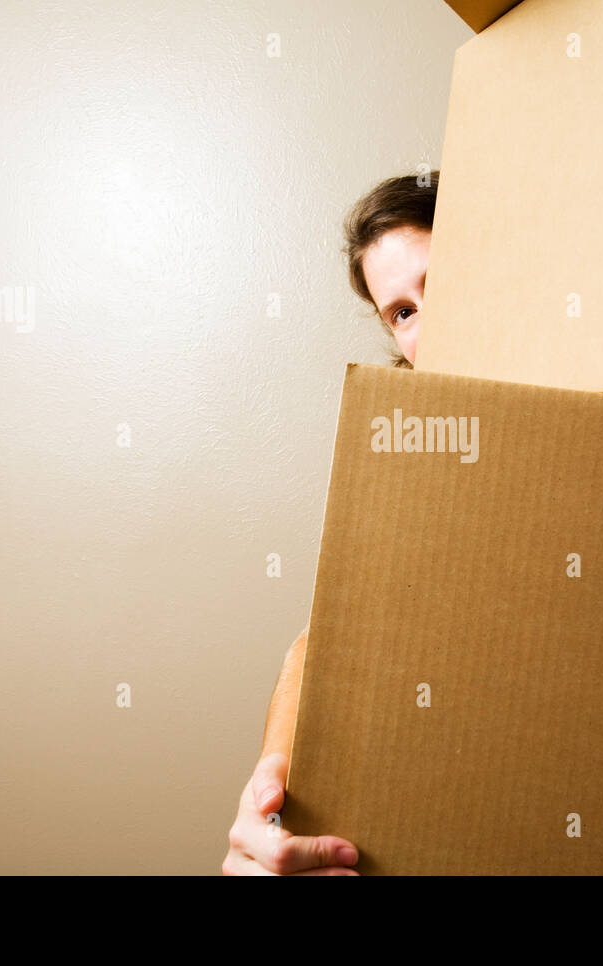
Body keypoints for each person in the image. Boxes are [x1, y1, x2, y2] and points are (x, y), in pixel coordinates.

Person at [221, 172, 438, 875]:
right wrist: (271, 805)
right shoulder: (411, 462)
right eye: (402, 312)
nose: (426, 327)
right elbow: (331, 640)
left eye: (439, 285)